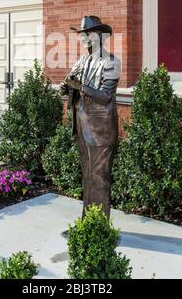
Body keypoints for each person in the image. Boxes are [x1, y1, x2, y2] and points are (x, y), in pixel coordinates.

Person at [60, 16, 121, 218]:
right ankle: (88, 221)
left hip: (100, 131)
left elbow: (104, 96)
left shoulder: (111, 62)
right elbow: (71, 90)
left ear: (98, 36)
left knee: (100, 178)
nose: (83, 38)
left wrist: (80, 87)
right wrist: (67, 87)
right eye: (81, 35)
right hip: (82, 126)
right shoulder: (82, 61)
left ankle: (100, 227)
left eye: (86, 34)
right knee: (87, 176)